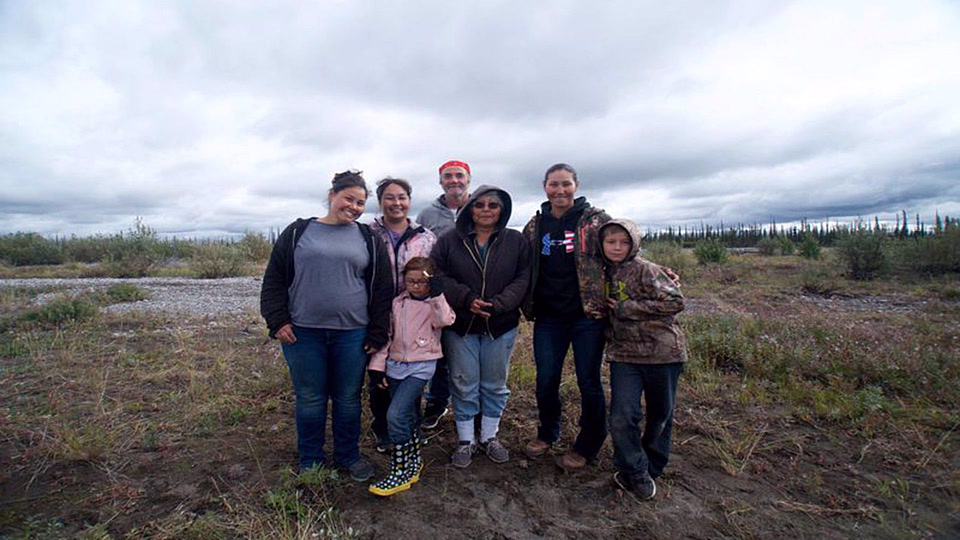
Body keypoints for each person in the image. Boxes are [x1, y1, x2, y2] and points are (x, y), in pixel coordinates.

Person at [260, 170, 393, 482]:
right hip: (303, 333)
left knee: (347, 398)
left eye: (361, 203)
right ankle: (311, 459)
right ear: (332, 195)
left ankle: (348, 456)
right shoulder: (298, 232)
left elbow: (382, 288)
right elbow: (274, 280)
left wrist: (376, 331)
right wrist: (277, 320)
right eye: (349, 198)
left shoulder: (368, 238)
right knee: (310, 397)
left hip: (353, 334)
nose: (355, 206)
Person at [431, 185, 531, 468]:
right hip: (461, 324)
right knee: (463, 383)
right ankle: (466, 440)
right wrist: (466, 299)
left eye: (493, 205)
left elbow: (523, 277)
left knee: (495, 384)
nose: (486, 210)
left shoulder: (516, 240)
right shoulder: (450, 240)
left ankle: (489, 437)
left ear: (502, 210)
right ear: (469, 208)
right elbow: (439, 274)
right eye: (479, 204)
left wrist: (500, 304)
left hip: (500, 324)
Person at [521, 163, 612, 472]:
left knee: (589, 382)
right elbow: (521, 264)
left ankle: (589, 443)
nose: (559, 190)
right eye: (553, 184)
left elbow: (621, 251)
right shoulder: (535, 225)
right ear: (544, 187)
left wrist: (656, 272)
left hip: (587, 316)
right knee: (546, 380)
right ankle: (548, 433)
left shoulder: (596, 221)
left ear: (576, 185)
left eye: (565, 184)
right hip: (548, 317)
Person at [599, 218, 687, 500]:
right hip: (624, 355)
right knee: (622, 416)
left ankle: (653, 467)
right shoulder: (599, 272)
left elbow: (675, 301)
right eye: (610, 242)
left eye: (624, 242)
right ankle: (635, 470)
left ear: (634, 243)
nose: (616, 247)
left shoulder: (647, 269)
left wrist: (628, 308)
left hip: (663, 354)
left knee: (661, 415)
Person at [367, 257, 455, 496]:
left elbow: (446, 320)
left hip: (421, 366)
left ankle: (399, 470)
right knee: (409, 414)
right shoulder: (398, 303)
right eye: (410, 281)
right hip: (396, 366)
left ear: (431, 282)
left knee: (395, 415)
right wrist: (377, 367)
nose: (415, 287)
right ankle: (414, 463)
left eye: (421, 282)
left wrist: (437, 295)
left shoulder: (435, 304)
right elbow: (387, 335)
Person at [367, 178, 437, 452]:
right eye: (389, 197)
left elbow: (435, 274)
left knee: (410, 374)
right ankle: (383, 429)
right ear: (380, 201)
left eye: (402, 197)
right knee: (380, 373)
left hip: (416, 316)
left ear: (409, 200)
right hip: (377, 312)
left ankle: (412, 428)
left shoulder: (426, 237)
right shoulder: (368, 233)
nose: (396, 203)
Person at [416, 160, 472, 429]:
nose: (454, 180)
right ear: (441, 182)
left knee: (468, 354)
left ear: (468, 179)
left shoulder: (480, 208)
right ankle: (437, 403)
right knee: (438, 353)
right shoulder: (427, 214)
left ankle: (473, 408)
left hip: (473, 293)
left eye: (459, 175)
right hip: (438, 294)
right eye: (447, 176)